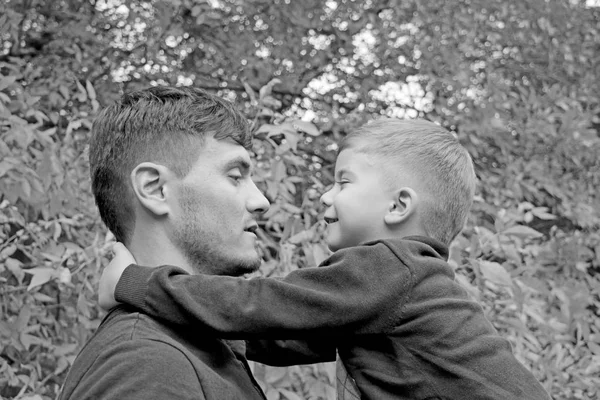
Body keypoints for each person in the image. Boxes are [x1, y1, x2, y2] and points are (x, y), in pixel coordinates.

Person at [99, 118, 551, 400]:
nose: (324, 194)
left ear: (398, 207)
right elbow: (276, 334)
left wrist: (134, 283)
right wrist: (189, 323)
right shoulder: (395, 295)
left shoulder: (391, 267)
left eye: (343, 182)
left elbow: (258, 306)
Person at [59, 86, 271, 400]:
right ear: (155, 189)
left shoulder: (191, 342)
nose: (261, 201)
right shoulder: (146, 365)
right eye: (236, 175)